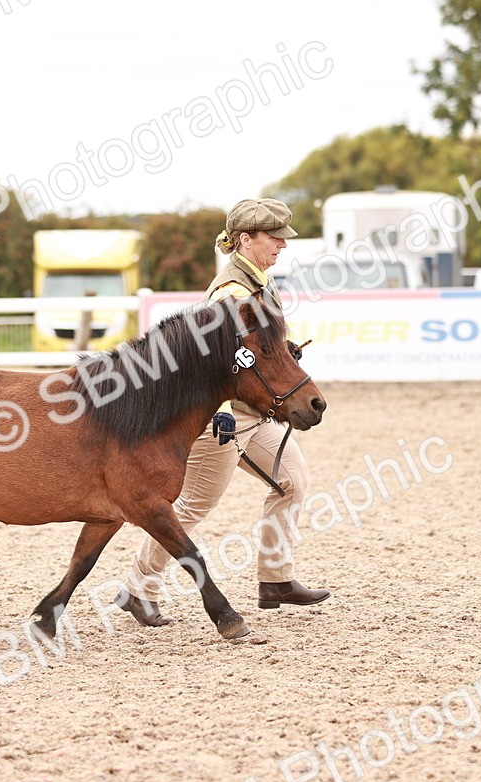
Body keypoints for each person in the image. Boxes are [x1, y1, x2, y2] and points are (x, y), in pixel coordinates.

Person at [115, 198, 330, 626]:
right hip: (227, 419)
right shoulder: (232, 294)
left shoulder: (257, 283)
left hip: (253, 412)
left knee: (293, 480)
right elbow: (206, 363)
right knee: (192, 505)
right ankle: (138, 588)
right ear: (245, 240)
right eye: (274, 237)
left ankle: (276, 580)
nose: (282, 246)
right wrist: (216, 417)